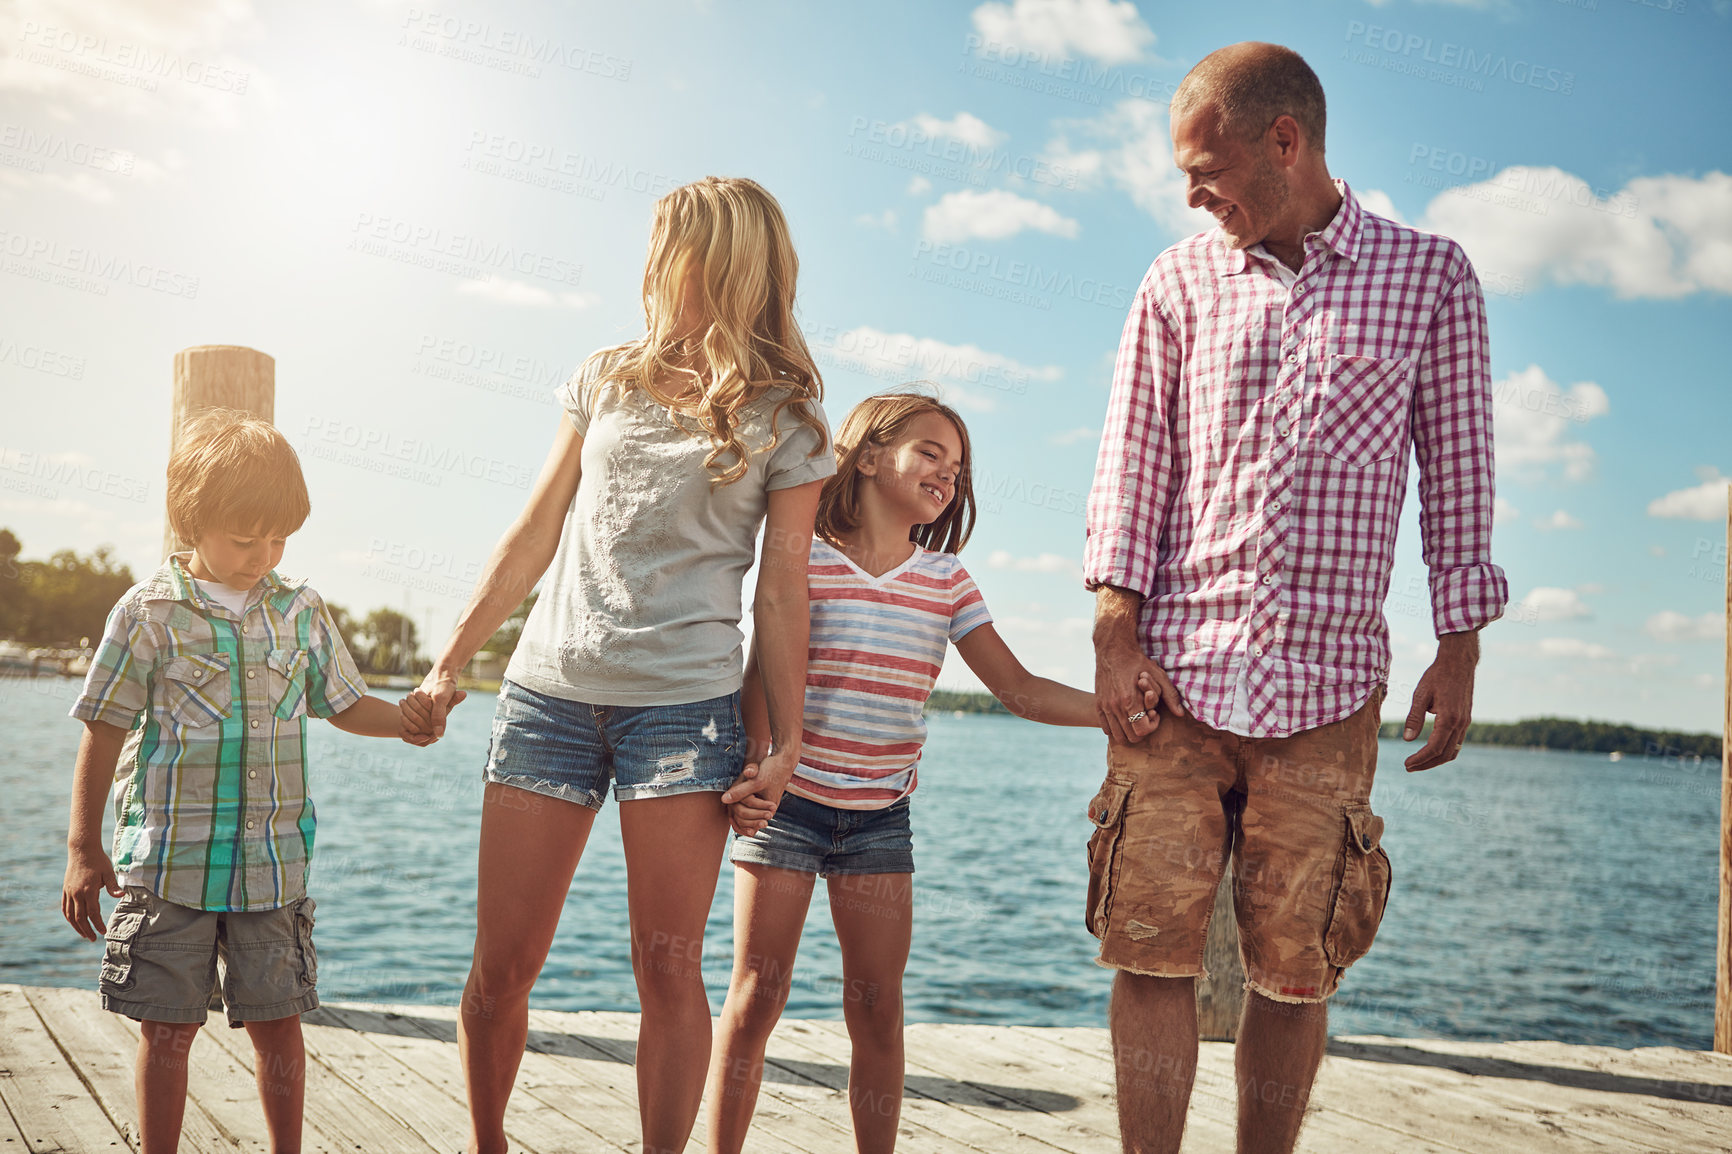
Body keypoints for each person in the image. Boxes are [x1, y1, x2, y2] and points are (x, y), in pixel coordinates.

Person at [1083, 43, 1508, 1154]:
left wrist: (1458, 641)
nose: (1191, 195)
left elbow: (1458, 466)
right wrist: (1112, 630)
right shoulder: (1174, 282)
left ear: (1286, 141)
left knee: (1294, 964)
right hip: (1172, 680)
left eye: (1206, 167)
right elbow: (1132, 464)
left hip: (1328, 688)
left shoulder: (1430, 276)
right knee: (1148, 948)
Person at [401, 176, 834, 1154]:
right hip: (545, 698)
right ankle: (488, 1143)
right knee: (500, 966)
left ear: (713, 257)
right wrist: (447, 666)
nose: (648, 262)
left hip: (684, 716)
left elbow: (780, 592)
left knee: (666, 970)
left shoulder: (790, 418)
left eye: (665, 243)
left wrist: (786, 741)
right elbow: (534, 531)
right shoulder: (604, 374)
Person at [704, 391, 1147, 1154]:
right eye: (930, 453)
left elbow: (1019, 689)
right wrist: (752, 767)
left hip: (879, 821)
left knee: (877, 1008)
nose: (947, 474)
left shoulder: (948, 581)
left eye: (958, 466)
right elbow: (759, 680)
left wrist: (1121, 714)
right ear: (869, 457)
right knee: (754, 1000)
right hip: (788, 809)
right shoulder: (803, 555)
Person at [61, 410, 421, 1154]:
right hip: (168, 865)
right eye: (243, 538)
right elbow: (101, 722)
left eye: (278, 538)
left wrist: (409, 720)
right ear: (190, 522)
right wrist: (81, 847)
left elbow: (344, 702)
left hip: (272, 868)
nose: (263, 555)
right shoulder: (148, 612)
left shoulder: (301, 612)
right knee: (167, 1028)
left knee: (279, 1021)